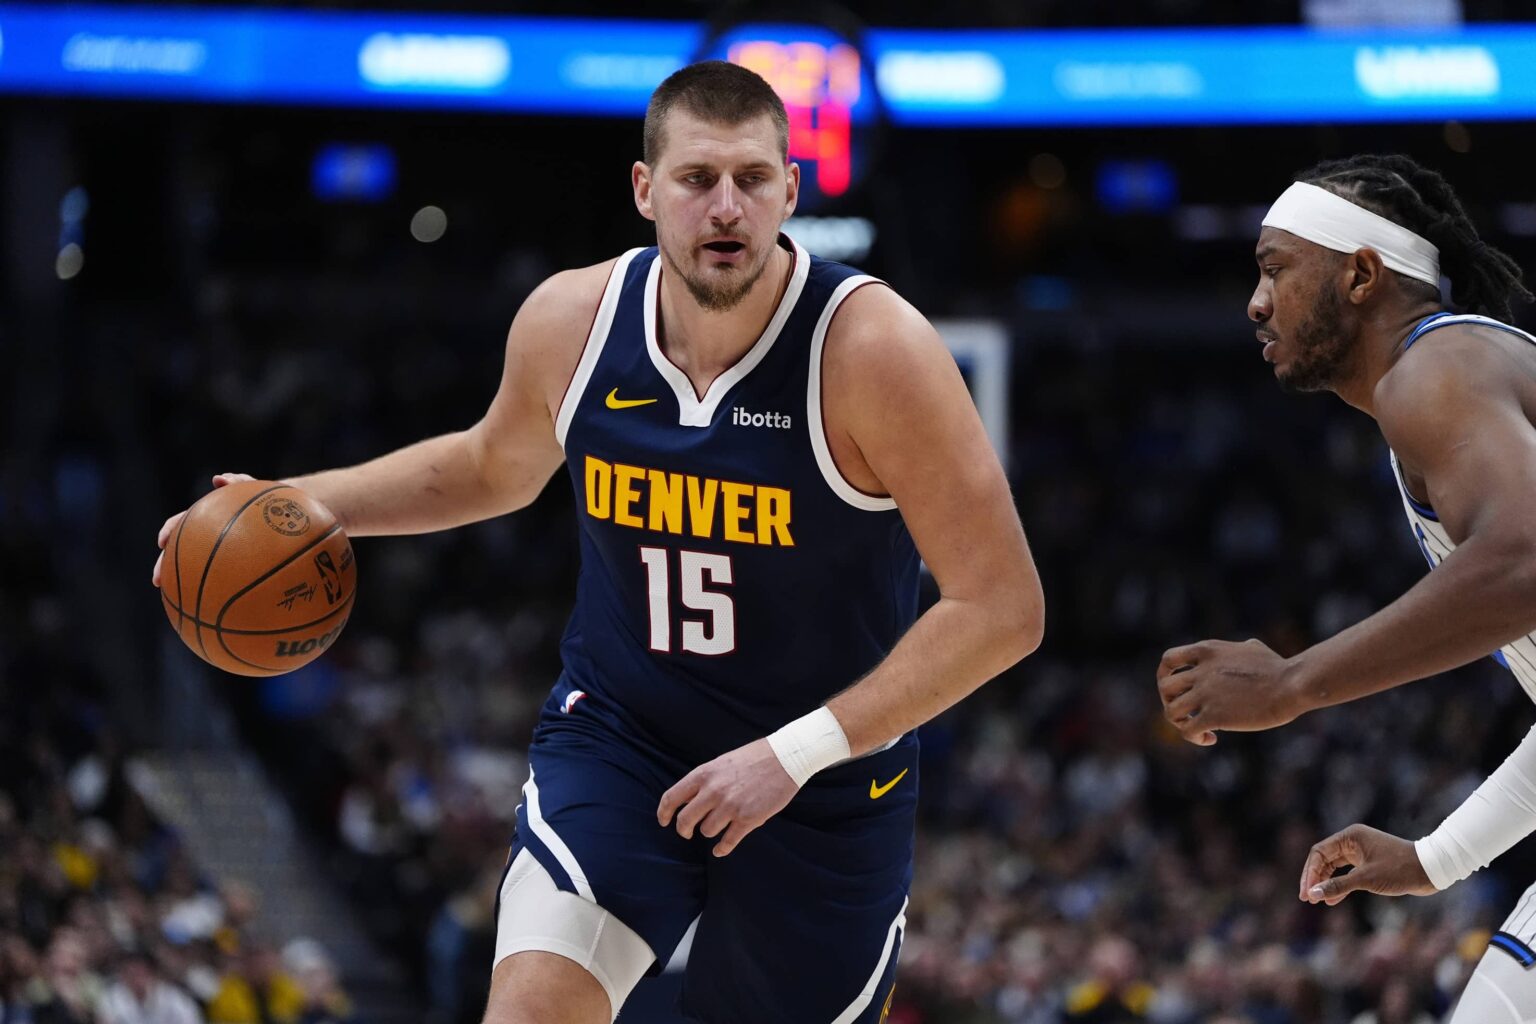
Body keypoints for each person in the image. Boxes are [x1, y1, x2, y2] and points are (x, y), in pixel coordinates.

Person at [153, 61, 1044, 1024]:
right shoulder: (572, 322)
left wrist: (789, 756)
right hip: (626, 735)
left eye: (753, 179)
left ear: (792, 190)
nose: (726, 208)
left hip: (826, 776)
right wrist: (297, 505)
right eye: (699, 179)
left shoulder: (873, 352)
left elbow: (1004, 607)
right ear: (645, 189)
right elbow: (494, 465)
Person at [1154, 153, 1536, 1021]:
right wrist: (1438, 858)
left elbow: (1523, 564)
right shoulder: (1457, 378)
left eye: (1275, 268)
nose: (1256, 302)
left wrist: (1291, 685)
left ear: (1361, 274)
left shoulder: (1435, 371)